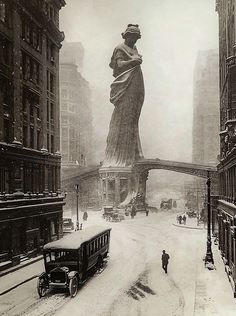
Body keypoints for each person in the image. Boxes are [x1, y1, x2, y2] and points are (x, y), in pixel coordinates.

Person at [103, 24, 144, 167]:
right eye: (132, 37)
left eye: (136, 38)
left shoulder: (134, 49)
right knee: (123, 117)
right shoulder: (119, 48)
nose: (134, 40)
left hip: (135, 85)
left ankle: (132, 153)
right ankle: (119, 156)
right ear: (126, 36)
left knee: (132, 119)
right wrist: (133, 61)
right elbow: (119, 65)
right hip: (125, 86)